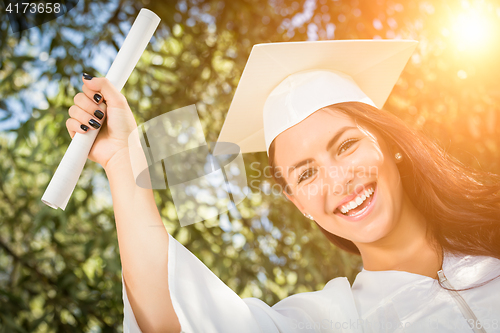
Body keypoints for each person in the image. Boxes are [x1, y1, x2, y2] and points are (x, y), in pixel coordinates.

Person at [66, 40, 500, 333]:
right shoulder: (329, 322)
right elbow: (175, 317)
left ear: (392, 145)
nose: (337, 179)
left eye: (346, 146)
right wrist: (123, 159)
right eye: (306, 173)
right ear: (298, 203)